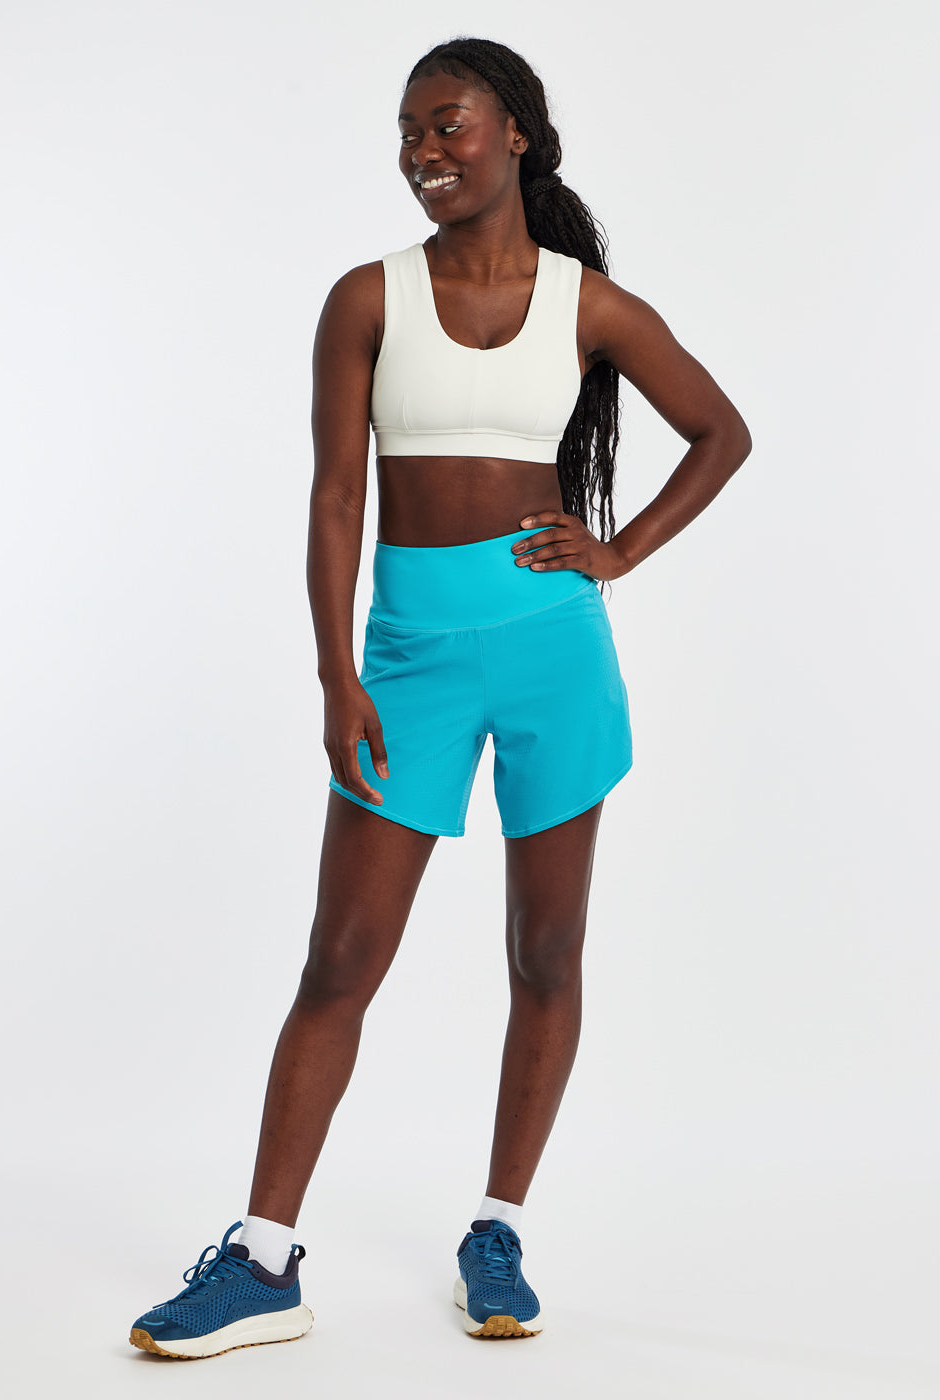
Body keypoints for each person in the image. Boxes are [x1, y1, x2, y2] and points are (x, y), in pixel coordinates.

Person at [128, 36, 751, 1359]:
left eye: (447, 123)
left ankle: (498, 1230)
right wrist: (334, 672)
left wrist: (620, 551)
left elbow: (722, 431)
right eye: (409, 131)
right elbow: (336, 499)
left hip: (552, 651)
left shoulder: (589, 303)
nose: (424, 150)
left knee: (546, 954)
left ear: (515, 130)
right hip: (406, 658)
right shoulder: (367, 298)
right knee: (340, 960)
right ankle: (262, 1261)